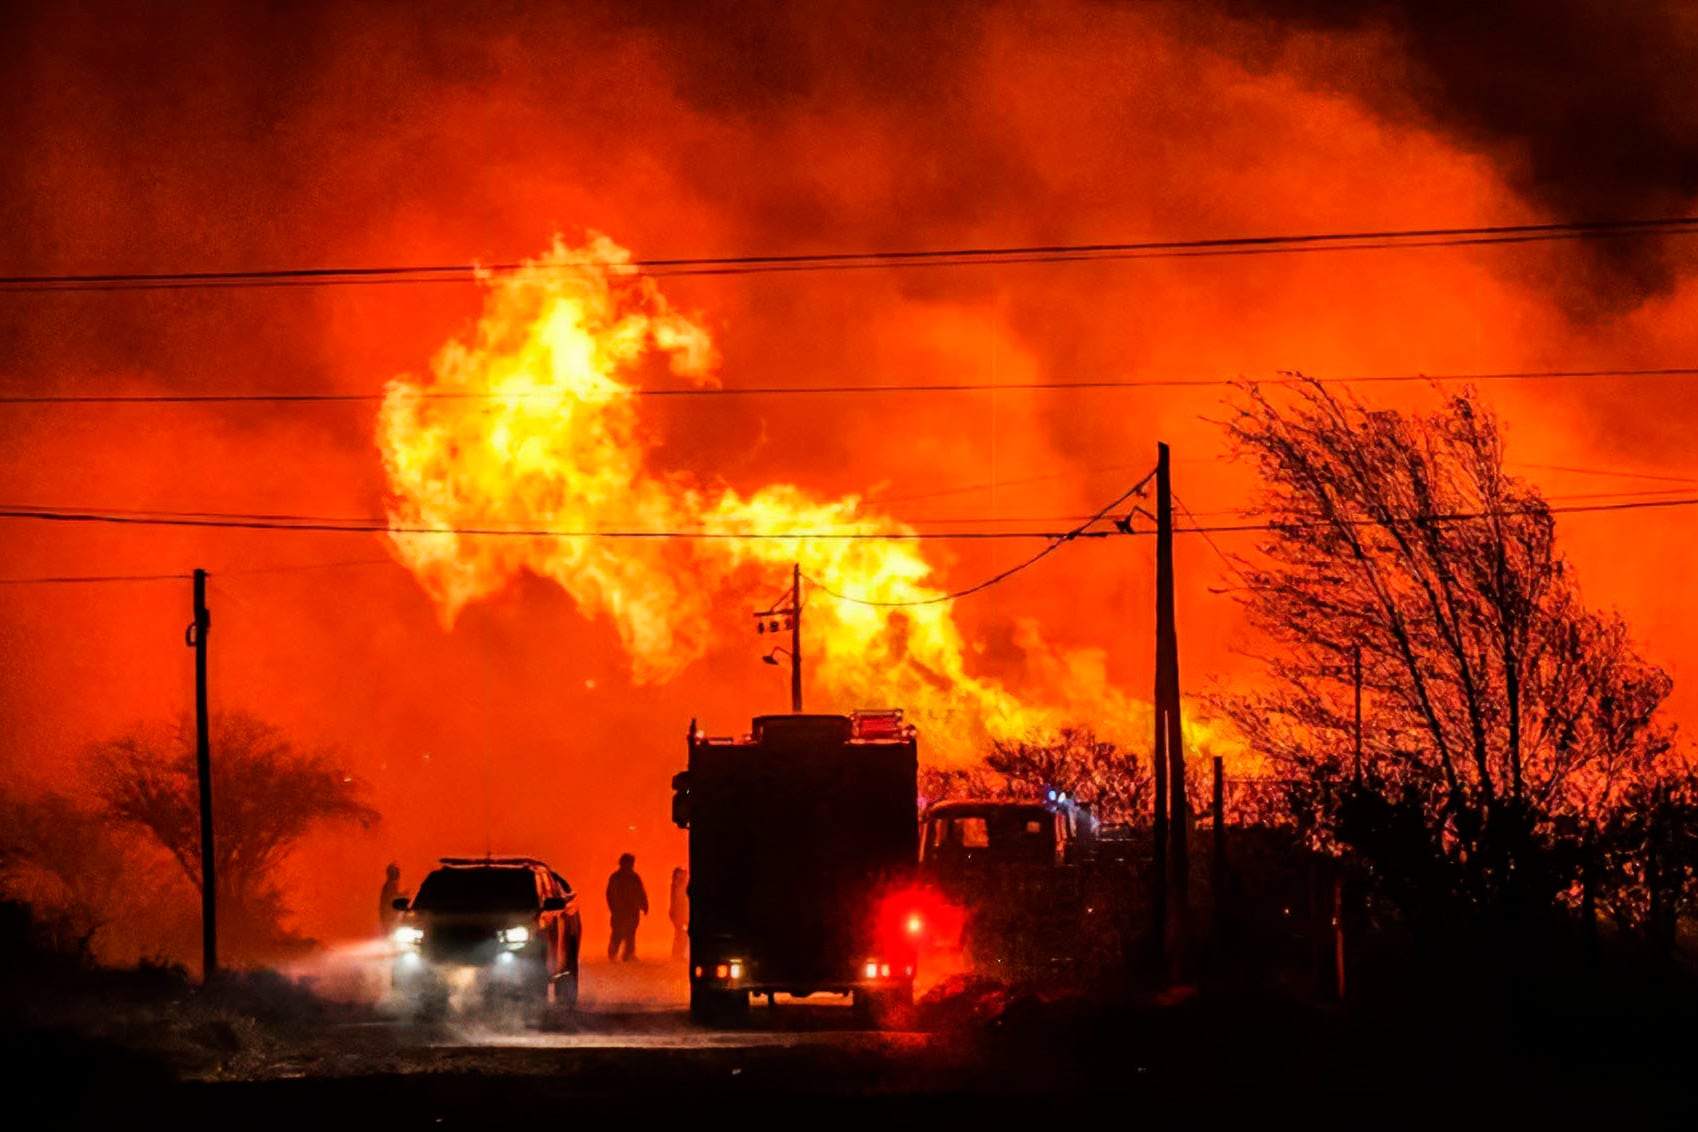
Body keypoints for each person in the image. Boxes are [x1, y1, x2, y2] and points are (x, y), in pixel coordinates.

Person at [605, 852, 649, 962]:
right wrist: (613, 908)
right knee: (617, 933)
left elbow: (640, 892)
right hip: (620, 911)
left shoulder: (634, 877)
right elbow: (610, 894)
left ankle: (628, 955)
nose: (631, 865)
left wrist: (644, 904)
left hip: (632, 910)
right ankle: (613, 954)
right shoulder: (616, 877)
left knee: (630, 933)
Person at [667, 867, 690, 960]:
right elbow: (676, 901)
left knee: (680, 933)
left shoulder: (677, 886)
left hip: (681, 914)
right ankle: (678, 954)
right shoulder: (678, 886)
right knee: (681, 933)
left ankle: (677, 953)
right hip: (680, 914)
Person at [379, 862, 404, 935]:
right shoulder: (390, 885)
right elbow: (392, 897)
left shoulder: (389, 884)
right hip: (389, 915)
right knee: (391, 933)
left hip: (388, 914)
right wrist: (402, 895)